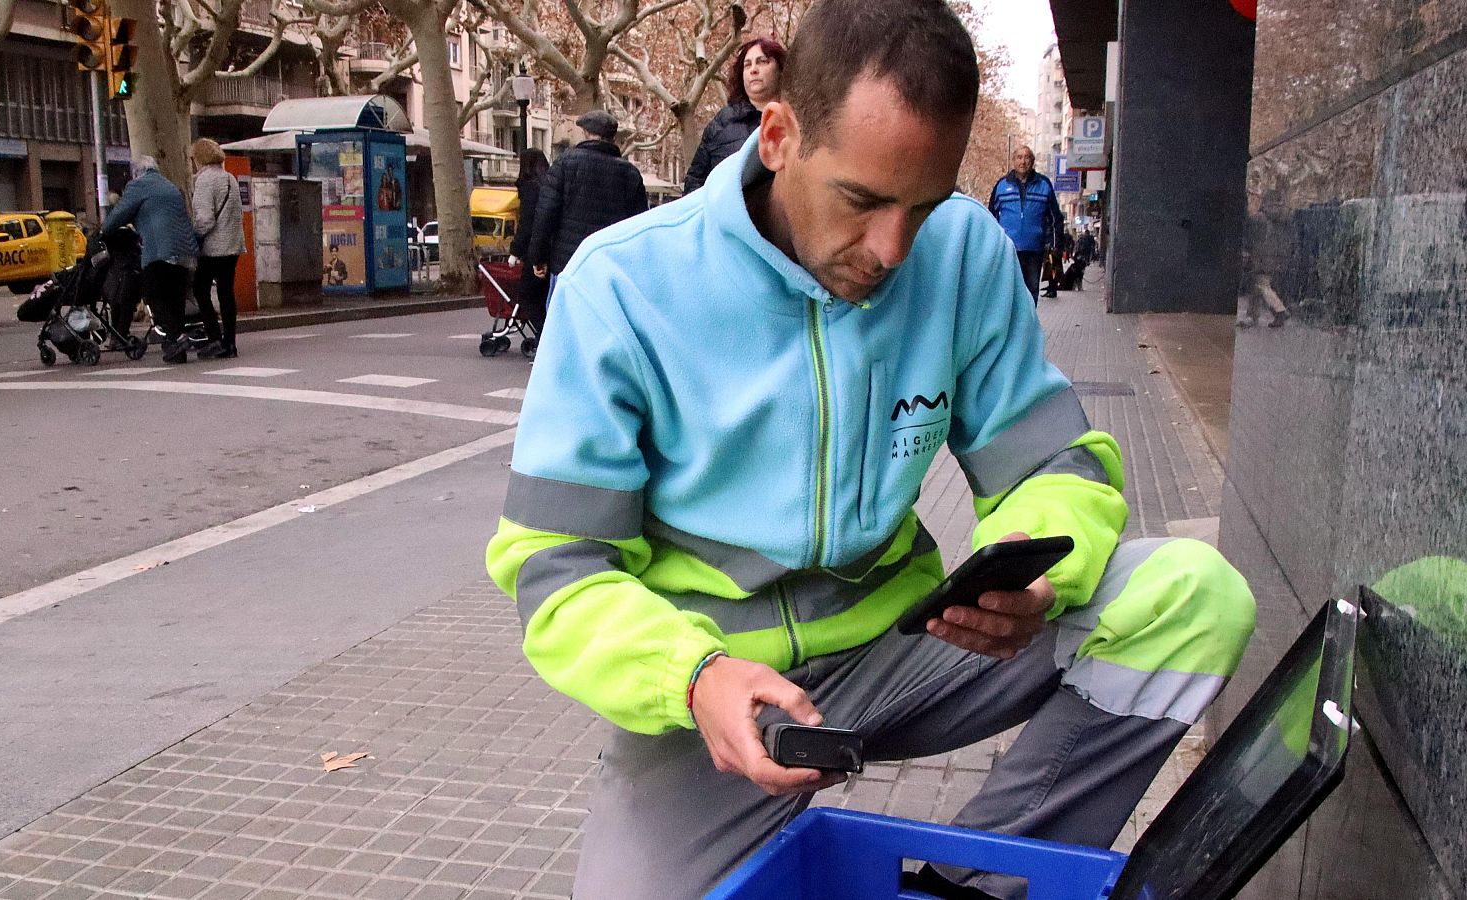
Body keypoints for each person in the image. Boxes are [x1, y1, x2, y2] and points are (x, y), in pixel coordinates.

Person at [484, 2, 1257, 899]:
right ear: (777, 135)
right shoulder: (620, 287)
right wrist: (691, 678)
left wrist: (1042, 580)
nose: (893, 249)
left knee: (1190, 597)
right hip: (721, 689)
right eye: (863, 200)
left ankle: (967, 889)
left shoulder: (966, 252)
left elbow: (1055, 467)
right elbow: (557, 566)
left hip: (909, 644)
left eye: (923, 206)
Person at [525, 109, 647, 280]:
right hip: (610, 267)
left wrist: (538, 257)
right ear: (612, 137)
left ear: (586, 132)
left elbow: (545, 213)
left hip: (568, 266)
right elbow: (639, 226)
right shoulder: (630, 174)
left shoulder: (564, 163)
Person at [102, 156, 199, 364]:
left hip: (160, 251)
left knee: (152, 294)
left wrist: (104, 230)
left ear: (136, 172)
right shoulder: (170, 186)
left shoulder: (138, 186)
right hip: (185, 250)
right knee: (174, 299)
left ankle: (177, 338)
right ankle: (175, 346)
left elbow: (118, 215)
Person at [684, 37, 787, 193]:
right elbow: (695, 181)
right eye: (747, 65)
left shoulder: (798, 121)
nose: (753, 69)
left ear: (781, 70)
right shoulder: (723, 122)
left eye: (762, 62)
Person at [188, 138, 245, 359]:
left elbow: (205, 219)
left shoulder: (204, 181)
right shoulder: (229, 178)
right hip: (233, 245)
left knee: (200, 289)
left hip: (213, 247)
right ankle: (230, 342)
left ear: (198, 158)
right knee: (226, 293)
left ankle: (214, 337)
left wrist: (194, 237)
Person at [988, 146, 1066, 304]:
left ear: (1032, 161)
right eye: (1019, 157)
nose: (1023, 162)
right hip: (1008, 249)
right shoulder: (1001, 186)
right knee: (1007, 291)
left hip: (1034, 250)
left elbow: (1055, 218)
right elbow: (990, 217)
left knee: (1031, 291)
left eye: (1026, 157)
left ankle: (1028, 326)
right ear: (1013, 161)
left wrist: (1055, 245)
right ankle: (1010, 326)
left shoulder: (1044, 185)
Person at [506, 148, 552, 339]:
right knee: (544, 299)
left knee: (527, 296)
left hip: (536, 250)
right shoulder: (549, 184)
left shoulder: (529, 187)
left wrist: (515, 252)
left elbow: (527, 223)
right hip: (553, 250)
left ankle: (544, 341)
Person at [1238, 189, 1291, 328]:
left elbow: (1253, 238)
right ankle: (1251, 315)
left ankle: (1280, 310)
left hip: (1263, 258)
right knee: (1256, 286)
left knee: (1262, 284)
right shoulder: (1281, 218)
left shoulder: (1260, 219)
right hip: (1276, 257)